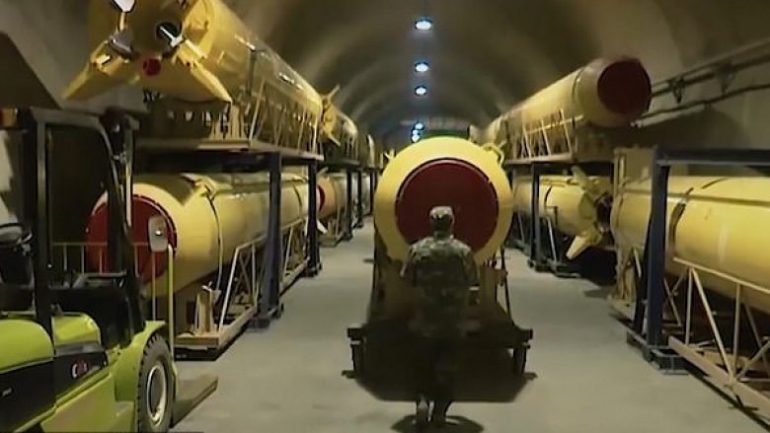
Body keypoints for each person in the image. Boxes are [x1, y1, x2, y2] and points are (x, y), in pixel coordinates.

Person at [400, 206, 476, 430]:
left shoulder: (418, 249)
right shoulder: (463, 251)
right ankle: (440, 412)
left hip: (425, 321)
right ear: (452, 223)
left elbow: (407, 278)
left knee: (423, 366)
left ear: (431, 224)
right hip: (453, 322)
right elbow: (473, 279)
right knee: (448, 369)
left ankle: (422, 402)